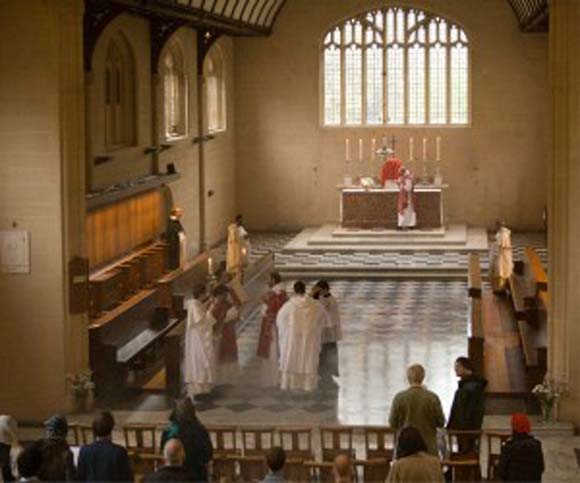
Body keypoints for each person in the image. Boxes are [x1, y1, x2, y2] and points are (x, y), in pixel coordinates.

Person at [276, 281, 327, 392]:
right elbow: (323, 320)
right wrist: (313, 329)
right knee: (307, 360)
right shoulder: (316, 305)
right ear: (305, 289)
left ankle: (292, 384)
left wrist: (289, 331)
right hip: (309, 339)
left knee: (293, 358)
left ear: (294, 291)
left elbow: (280, 321)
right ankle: (308, 385)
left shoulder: (289, 306)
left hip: (292, 339)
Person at [388, 364, 446, 456]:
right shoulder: (432, 397)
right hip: (429, 449)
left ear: (408, 378)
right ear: (423, 377)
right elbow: (441, 422)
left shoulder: (399, 398)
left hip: (404, 449)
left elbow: (392, 423)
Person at [160, 398, 213, 482]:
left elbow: (163, 451)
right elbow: (208, 455)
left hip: (170, 475)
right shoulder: (199, 430)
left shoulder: (169, 431)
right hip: (196, 475)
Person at [76, 411, 133, 482]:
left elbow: (79, 478)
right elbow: (127, 479)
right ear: (111, 428)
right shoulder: (119, 452)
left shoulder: (84, 451)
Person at [183, 283, 216, 398]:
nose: (206, 295)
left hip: (198, 337)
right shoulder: (194, 305)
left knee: (201, 360)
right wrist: (210, 310)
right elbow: (201, 322)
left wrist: (208, 303)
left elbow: (201, 309)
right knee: (201, 361)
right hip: (198, 338)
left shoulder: (195, 303)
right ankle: (199, 390)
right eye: (204, 293)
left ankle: (205, 388)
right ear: (200, 293)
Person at [256, 272, 288, 387]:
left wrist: (266, 308)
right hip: (272, 324)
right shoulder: (277, 293)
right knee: (273, 352)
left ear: (274, 280)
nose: (267, 281)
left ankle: (272, 380)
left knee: (272, 352)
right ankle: (270, 379)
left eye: (269, 279)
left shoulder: (276, 293)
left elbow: (275, 310)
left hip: (272, 326)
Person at [497, 413, 544, 483]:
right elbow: (541, 468)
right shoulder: (536, 445)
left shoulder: (509, 446)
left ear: (514, 427)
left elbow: (501, 472)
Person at [312, 280, 342, 384]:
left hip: (329, 330)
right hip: (326, 329)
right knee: (324, 351)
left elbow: (316, 306)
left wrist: (313, 294)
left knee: (327, 351)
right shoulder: (325, 298)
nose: (318, 292)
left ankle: (326, 372)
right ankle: (324, 372)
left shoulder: (328, 300)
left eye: (320, 290)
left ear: (324, 289)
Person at [210, 284, 241, 385]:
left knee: (230, 353)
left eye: (226, 294)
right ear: (218, 295)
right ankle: (221, 379)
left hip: (229, 331)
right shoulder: (214, 306)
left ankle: (229, 378)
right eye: (223, 295)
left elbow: (236, 308)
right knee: (222, 355)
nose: (225, 297)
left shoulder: (226, 303)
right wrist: (224, 318)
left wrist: (233, 316)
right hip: (220, 333)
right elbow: (212, 322)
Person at [37, 415, 76, 481]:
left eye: (49, 429)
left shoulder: (41, 450)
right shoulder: (67, 453)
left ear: (55, 432)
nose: (47, 432)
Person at [490, 221, 514, 294]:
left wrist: (495, 244)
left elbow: (502, 245)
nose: (496, 228)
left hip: (503, 255)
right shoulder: (502, 233)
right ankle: (499, 288)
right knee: (500, 271)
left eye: (497, 226)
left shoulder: (503, 234)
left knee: (502, 271)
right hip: (503, 254)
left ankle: (501, 289)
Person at [0, 415, 21, 481]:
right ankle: (9, 479)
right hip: (4, 443)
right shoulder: (7, 420)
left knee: (5, 462)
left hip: (5, 443)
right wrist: (15, 440)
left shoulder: (5, 419)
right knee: (5, 463)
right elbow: (8, 428)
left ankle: (8, 478)